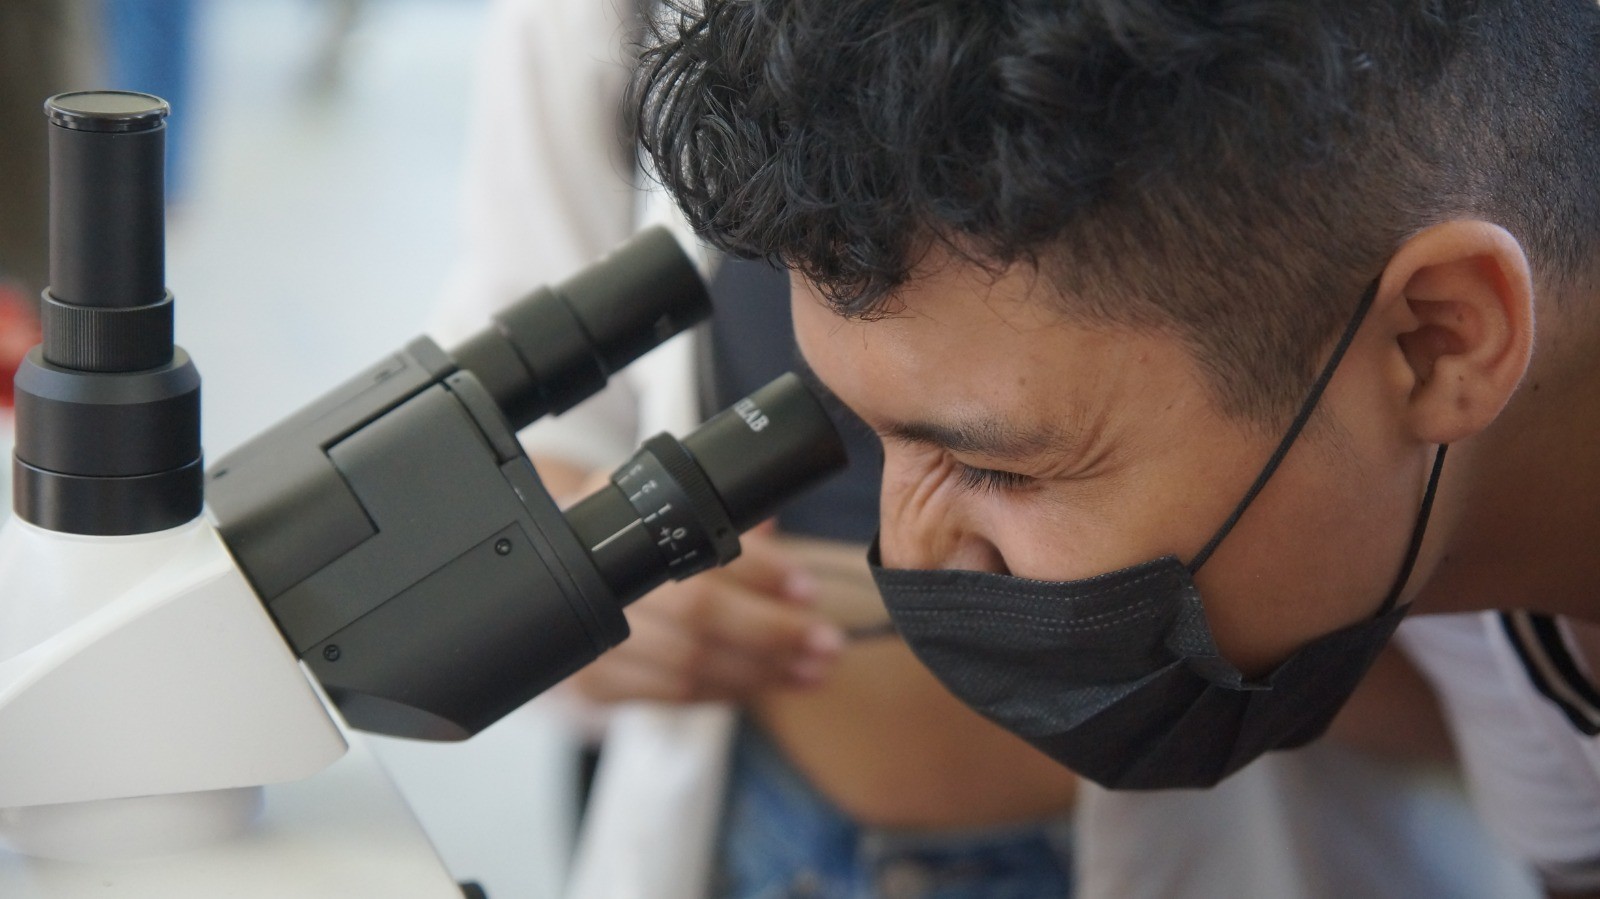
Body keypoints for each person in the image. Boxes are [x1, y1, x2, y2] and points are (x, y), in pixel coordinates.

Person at [431, 2, 1536, 898]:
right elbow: (502, 434)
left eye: (1001, 462)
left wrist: (1233, 663)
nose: (914, 557)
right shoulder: (598, 32)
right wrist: (596, 602)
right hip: (769, 824)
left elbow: (1487, 616)